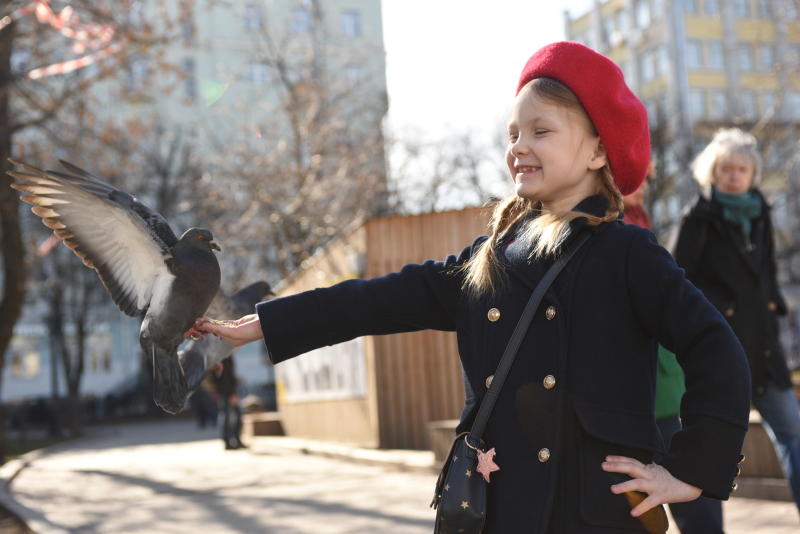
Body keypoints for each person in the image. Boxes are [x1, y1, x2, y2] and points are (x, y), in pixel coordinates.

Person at [196, 42, 750, 533]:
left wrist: (689, 470)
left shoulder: (627, 253)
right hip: (498, 508)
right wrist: (267, 321)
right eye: (513, 133)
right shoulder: (494, 258)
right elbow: (381, 299)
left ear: (598, 151)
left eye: (541, 131)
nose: (519, 147)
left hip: (591, 515)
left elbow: (717, 349)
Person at [674, 127, 800, 517]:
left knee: (794, 435)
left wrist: (776, 302)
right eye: (727, 168)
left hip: (765, 348)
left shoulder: (760, 212)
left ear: (752, 173)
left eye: (742, 168)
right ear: (713, 171)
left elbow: (764, 271)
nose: (734, 175)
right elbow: (677, 280)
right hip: (722, 352)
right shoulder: (697, 218)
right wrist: (720, 308)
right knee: (712, 449)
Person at [623, 176, 725, 533]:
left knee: (692, 495)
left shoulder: (638, 218)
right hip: (643, 388)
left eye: (647, 177)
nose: (643, 183)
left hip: (665, 384)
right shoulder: (611, 226)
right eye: (634, 175)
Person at [211, 356, 245, 450]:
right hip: (227, 392)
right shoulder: (224, 356)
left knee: (226, 415)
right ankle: (232, 441)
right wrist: (232, 393)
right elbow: (226, 377)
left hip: (223, 391)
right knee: (231, 416)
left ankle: (231, 441)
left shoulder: (219, 355)